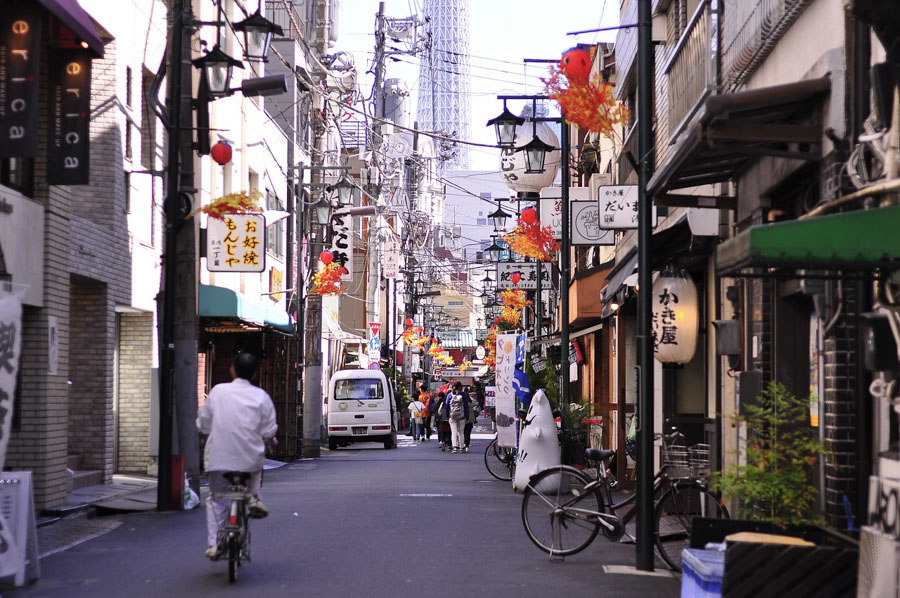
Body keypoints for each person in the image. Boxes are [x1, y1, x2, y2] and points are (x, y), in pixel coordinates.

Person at [197, 352, 277, 560]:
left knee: (216, 500)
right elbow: (269, 430)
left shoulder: (217, 392)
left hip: (218, 459)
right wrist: (269, 438)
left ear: (232, 370)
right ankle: (252, 497)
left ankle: (214, 544)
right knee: (254, 472)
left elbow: (204, 422)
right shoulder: (261, 397)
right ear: (255, 374)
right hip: (249, 461)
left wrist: (204, 436)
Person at [442, 382, 470, 453]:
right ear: (460, 387)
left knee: (453, 432)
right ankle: (461, 447)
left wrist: (448, 415)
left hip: (452, 416)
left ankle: (454, 447)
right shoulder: (463, 395)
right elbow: (466, 406)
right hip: (461, 416)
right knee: (461, 432)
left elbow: (447, 406)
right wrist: (467, 417)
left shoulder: (449, 395)